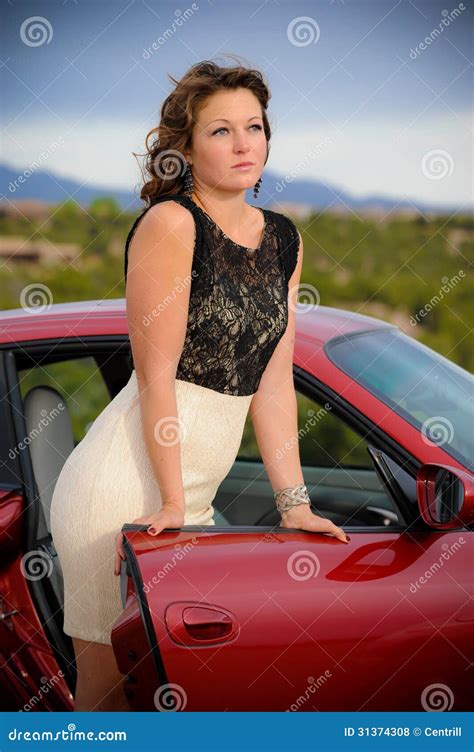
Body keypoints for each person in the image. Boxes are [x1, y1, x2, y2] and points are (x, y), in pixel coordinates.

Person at [50, 57, 348, 713]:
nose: (244, 144)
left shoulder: (284, 239)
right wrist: (170, 501)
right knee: (107, 696)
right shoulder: (172, 226)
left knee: (177, 692)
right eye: (221, 131)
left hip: (191, 497)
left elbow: (272, 378)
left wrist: (294, 502)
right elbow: (155, 379)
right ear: (185, 149)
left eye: (255, 126)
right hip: (125, 490)